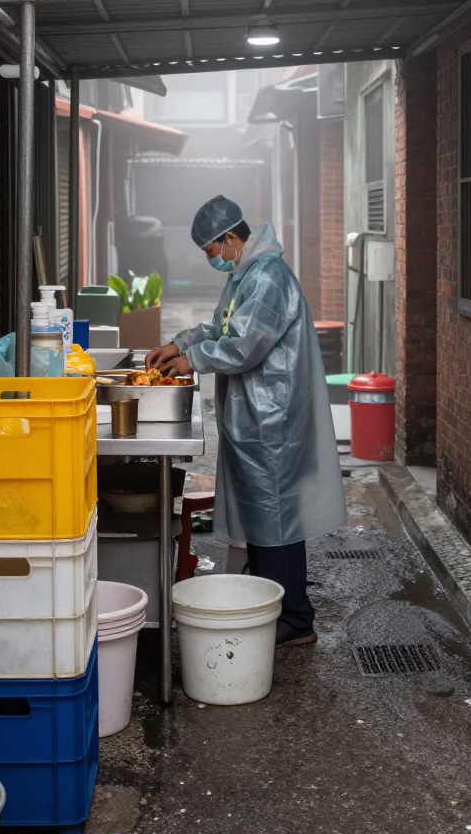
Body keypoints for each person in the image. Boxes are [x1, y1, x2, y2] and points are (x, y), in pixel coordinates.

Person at [146, 195, 347, 647]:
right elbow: (223, 327)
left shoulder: (268, 277)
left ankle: (295, 618)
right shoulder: (246, 275)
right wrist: (180, 344)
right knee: (263, 517)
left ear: (230, 239)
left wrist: (192, 361)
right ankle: (275, 603)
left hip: (273, 419)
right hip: (256, 416)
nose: (210, 260)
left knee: (276, 518)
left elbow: (244, 345)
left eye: (210, 251)